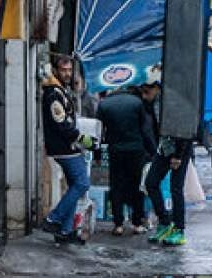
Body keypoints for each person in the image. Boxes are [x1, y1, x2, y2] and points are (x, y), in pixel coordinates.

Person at [41, 55, 95, 244]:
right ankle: (53, 219)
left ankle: (65, 230)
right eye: (63, 70)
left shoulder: (60, 90)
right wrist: (81, 138)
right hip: (64, 147)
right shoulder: (53, 93)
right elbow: (61, 123)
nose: (67, 73)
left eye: (69, 70)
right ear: (55, 70)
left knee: (74, 185)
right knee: (82, 183)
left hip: (67, 146)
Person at [139, 74, 191, 247]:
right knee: (150, 182)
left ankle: (179, 229)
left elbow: (184, 127)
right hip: (164, 147)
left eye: (147, 91)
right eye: (143, 92)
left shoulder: (172, 102)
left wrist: (178, 155)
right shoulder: (154, 104)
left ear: (157, 87)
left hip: (179, 147)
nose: (144, 95)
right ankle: (164, 222)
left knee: (176, 188)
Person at [95, 86, 155, 236]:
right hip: (136, 150)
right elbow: (145, 130)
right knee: (137, 186)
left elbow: (98, 131)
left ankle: (118, 224)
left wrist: (96, 154)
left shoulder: (104, 105)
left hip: (116, 151)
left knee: (116, 185)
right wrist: (154, 152)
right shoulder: (137, 103)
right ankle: (136, 223)